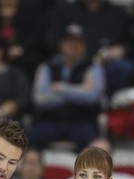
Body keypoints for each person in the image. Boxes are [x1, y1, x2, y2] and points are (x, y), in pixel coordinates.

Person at [28, 23, 105, 151]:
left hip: (82, 121)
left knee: (91, 144)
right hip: (51, 120)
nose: (74, 46)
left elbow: (92, 97)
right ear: (61, 44)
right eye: (69, 42)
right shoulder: (47, 66)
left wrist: (61, 88)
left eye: (78, 42)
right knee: (33, 138)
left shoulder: (93, 67)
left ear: (84, 45)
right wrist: (79, 91)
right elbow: (39, 99)